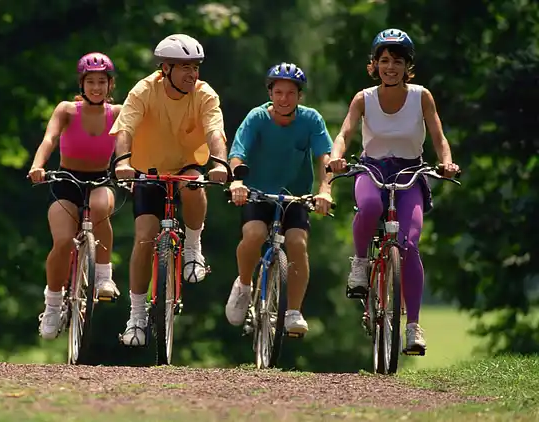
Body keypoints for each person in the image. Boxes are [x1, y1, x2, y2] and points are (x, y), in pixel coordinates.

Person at [327, 28, 460, 354]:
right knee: (370, 207)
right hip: (372, 169)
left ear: (407, 66)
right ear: (374, 64)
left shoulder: (421, 96)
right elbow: (344, 133)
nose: (390, 67)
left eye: (397, 61)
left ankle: (413, 327)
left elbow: (439, 137)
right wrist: (336, 157)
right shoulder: (364, 98)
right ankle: (360, 264)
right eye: (384, 60)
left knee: (410, 243)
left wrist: (447, 163)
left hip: (411, 173)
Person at [110, 34, 229, 346]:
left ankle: (192, 246)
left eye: (196, 67)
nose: (192, 74)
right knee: (144, 238)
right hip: (147, 169)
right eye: (185, 68)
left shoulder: (205, 95)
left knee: (192, 185)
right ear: (166, 68)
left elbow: (216, 133)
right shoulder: (144, 91)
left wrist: (220, 164)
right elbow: (125, 130)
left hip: (187, 164)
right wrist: (123, 161)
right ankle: (136, 316)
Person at [224, 62, 334, 335]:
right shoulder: (256, 118)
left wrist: (325, 190)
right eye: (279, 92)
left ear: (299, 96)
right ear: (270, 93)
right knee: (254, 234)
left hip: (295, 196)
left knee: (297, 242)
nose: (284, 99)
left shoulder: (311, 120)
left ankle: (293, 311)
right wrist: (237, 181)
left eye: (291, 93)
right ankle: (244, 285)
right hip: (257, 193)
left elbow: (326, 158)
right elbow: (238, 153)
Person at [28, 52, 122, 340]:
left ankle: (104, 277)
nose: (96, 87)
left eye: (102, 82)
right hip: (65, 180)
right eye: (90, 81)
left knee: (99, 207)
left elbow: (125, 146)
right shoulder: (67, 110)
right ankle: (53, 304)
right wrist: (37, 165)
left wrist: (127, 168)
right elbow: (50, 138)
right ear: (81, 85)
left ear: (111, 85)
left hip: (101, 179)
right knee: (62, 241)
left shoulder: (117, 113)